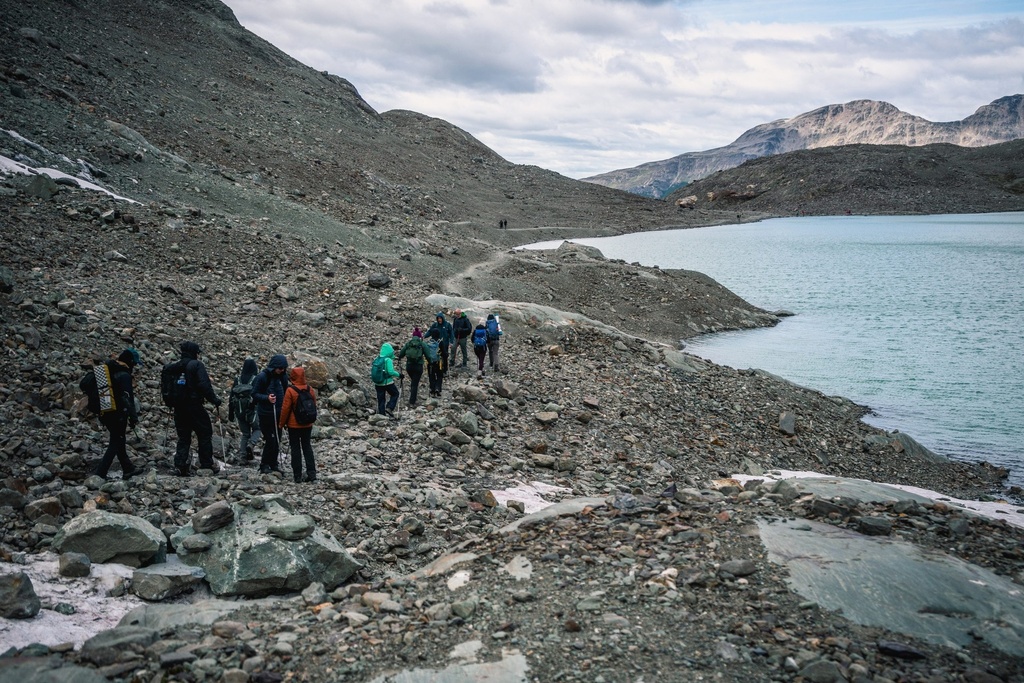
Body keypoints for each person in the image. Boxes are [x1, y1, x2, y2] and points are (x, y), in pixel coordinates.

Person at [173, 341, 223, 476]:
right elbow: (204, 385)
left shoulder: (175, 366)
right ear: (194, 353)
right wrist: (215, 400)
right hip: (194, 405)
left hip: (178, 406)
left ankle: (180, 465)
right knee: (205, 432)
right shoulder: (196, 365)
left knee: (183, 437)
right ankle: (206, 463)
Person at [92, 348, 142, 480]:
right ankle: (100, 473)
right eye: (134, 363)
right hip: (118, 413)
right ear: (130, 362)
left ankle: (128, 468)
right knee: (115, 442)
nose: (134, 366)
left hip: (105, 411)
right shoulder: (124, 375)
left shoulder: (110, 371)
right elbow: (127, 398)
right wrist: (133, 417)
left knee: (119, 439)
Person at [278, 366, 317, 483]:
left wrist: (281, 424)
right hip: (307, 424)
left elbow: (285, 409)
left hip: (293, 425)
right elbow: (314, 406)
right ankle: (312, 474)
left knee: (295, 448)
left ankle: (297, 475)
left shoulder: (290, 390)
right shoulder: (310, 389)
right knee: (307, 447)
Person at [252, 354, 288, 474]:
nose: (282, 370)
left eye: (284, 368)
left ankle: (273, 464)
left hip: (279, 413)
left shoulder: (283, 377)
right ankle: (264, 464)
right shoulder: (262, 377)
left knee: (277, 439)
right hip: (266, 414)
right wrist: (267, 398)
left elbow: (286, 391)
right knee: (270, 439)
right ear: (274, 367)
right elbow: (254, 394)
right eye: (280, 368)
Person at [228, 357, 261, 463]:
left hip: (239, 411)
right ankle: (251, 444)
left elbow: (231, 396)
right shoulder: (255, 379)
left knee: (245, 433)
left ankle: (243, 457)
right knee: (257, 429)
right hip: (251, 410)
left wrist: (231, 413)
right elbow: (257, 395)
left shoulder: (237, 379)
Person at [397, 328, 426, 406]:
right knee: (415, 383)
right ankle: (412, 401)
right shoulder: (422, 344)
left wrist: (399, 358)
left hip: (409, 366)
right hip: (418, 366)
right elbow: (428, 354)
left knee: (413, 381)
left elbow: (401, 353)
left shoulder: (408, 344)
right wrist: (430, 361)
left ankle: (412, 397)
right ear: (420, 336)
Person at [372, 343, 402, 417]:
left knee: (381, 399)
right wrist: (399, 375)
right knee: (395, 394)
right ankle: (389, 407)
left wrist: (395, 358)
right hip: (387, 382)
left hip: (378, 383)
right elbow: (390, 372)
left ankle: (382, 415)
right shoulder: (388, 360)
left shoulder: (377, 358)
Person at [425, 328, 445, 397]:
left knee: (431, 375)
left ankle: (432, 389)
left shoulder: (428, 342)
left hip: (430, 362)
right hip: (438, 362)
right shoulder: (440, 342)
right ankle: (438, 388)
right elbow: (444, 353)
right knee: (439, 375)